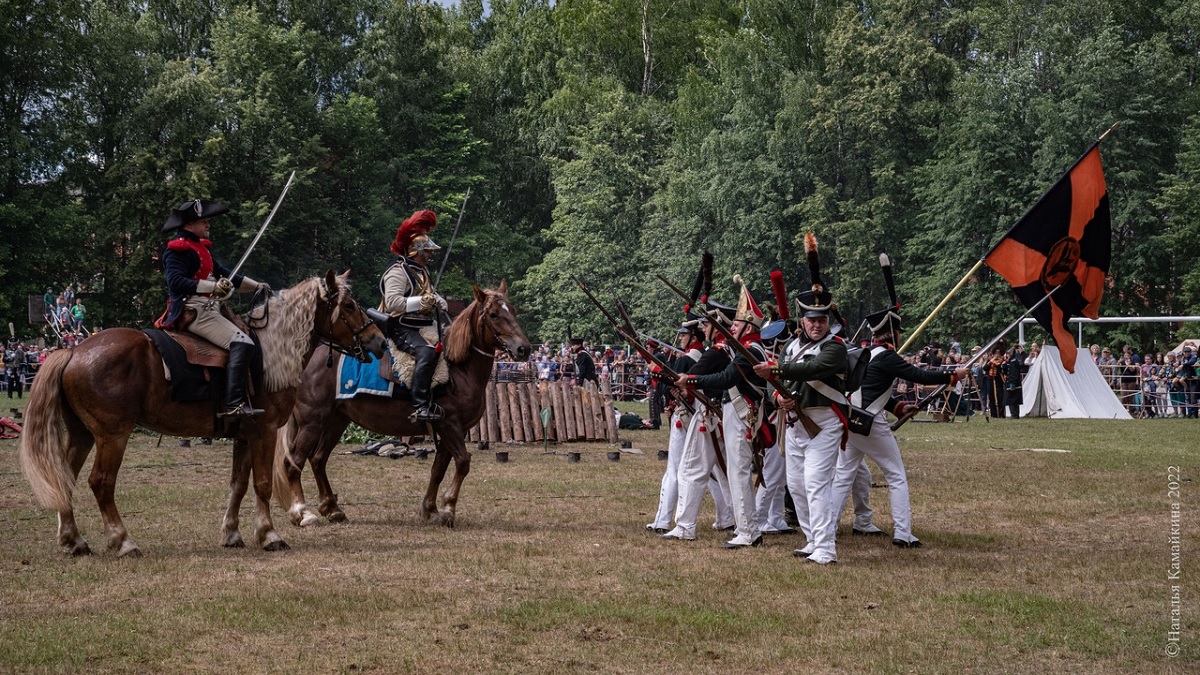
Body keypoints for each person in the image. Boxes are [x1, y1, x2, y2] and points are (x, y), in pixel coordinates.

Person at [830, 303, 968, 549]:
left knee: (843, 476)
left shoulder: (862, 353)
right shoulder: (886, 357)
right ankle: (903, 533)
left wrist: (896, 407)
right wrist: (952, 375)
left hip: (851, 420)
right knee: (896, 476)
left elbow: (872, 389)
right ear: (894, 334)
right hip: (871, 423)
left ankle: (827, 528)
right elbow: (920, 376)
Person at [753, 233, 847, 565]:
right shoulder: (790, 346)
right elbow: (775, 382)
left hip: (823, 423)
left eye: (822, 320)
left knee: (815, 482)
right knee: (796, 485)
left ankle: (826, 547)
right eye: (812, 320)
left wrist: (777, 370)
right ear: (803, 320)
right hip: (794, 424)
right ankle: (812, 538)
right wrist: (777, 396)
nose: (818, 324)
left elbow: (813, 369)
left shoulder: (835, 348)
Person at [155, 198, 270, 417]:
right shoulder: (177, 250)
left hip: (211, 308)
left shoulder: (201, 248)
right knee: (242, 342)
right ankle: (234, 404)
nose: (208, 224)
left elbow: (226, 274)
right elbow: (176, 283)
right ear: (189, 225)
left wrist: (257, 286)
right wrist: (211, 286)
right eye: (203, 221)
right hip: (195, 310)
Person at [679, 276, 769, 549]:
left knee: (739, 471)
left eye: (738, 324)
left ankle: (748, 532)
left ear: (748, 326)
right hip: (735, 411)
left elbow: (727, 378)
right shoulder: (746, 348)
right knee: (736, 471)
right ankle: (747, 528)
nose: (732, 327)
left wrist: (693, 381)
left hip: (742, 413)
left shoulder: (750, 350)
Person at [380, 209, 448, 422]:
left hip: (422, 324)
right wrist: (422, 302)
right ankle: (420, 406)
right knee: (427, 352)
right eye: (427, 252)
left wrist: (438, 299)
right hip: (400, 325)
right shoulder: (397, 272)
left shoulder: (422, 272)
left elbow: (427, 293)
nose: (429, 255)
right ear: (416, 251)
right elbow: (392, 302)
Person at [1006, 344, 1025, 418]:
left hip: (1013, 383)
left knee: (1013, 400)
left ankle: (1014, 414)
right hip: (1013, 382)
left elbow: (1013, 373)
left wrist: (1012, 383)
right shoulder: (1011, 361)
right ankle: (1015, 414)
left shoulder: (1013, 362)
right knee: (1014, 400)